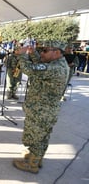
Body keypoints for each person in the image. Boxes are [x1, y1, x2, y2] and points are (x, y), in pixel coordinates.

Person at [13, 40, 69, 173]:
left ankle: (31, 165)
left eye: (45, 51)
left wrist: (22, 55)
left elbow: (31, 70)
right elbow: (41, 66)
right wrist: (33, 55)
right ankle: (37, 158)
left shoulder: (55, 68)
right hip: (46, 109)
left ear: (56, 52)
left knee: (35, 137)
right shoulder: (56, 63)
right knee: (42, 137)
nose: (41, 53)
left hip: (41, 110)